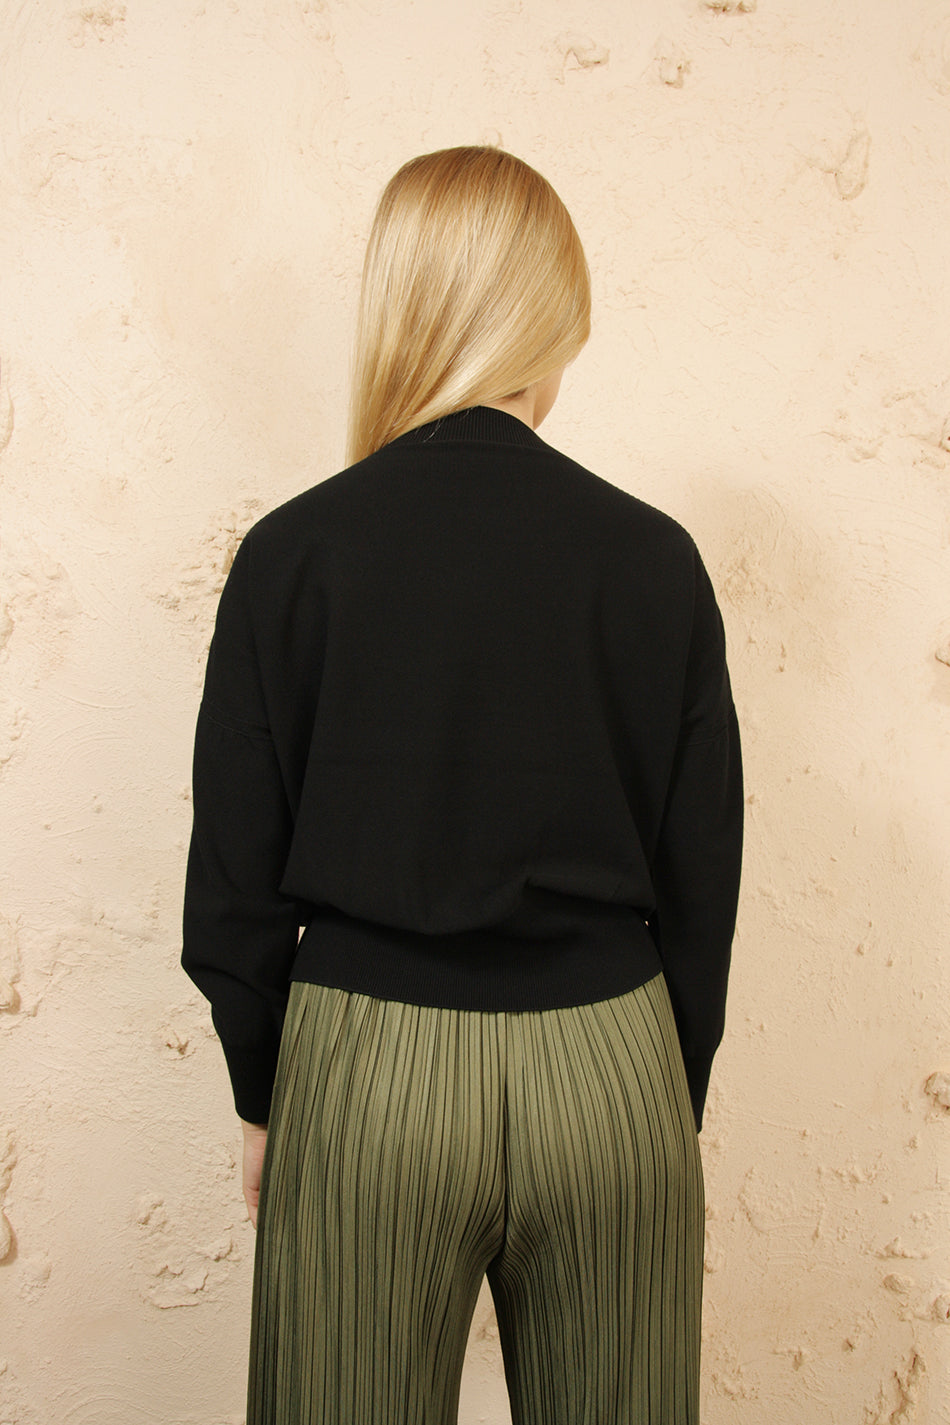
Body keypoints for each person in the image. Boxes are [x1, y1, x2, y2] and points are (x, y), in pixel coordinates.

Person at [182, 144, 743, 1425]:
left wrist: (263, 1091)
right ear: (549, 322)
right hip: (610, 1067)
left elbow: (235, 882)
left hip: (365, 1076)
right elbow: (700, 870)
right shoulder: (653, 561)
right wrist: (664, 1093)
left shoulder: (292, 555)